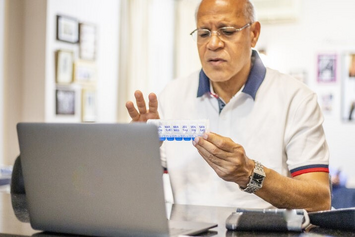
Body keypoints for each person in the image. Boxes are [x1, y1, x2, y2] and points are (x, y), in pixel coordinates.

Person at [126, 0, 331, 212]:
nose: (213, 44)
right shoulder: (172, 96)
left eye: (227, 31)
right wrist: (137, 148)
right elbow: (135, 190)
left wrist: (250, 174)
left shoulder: (296, 98)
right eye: (204, 33)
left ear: (253, 33)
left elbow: (319, 200)